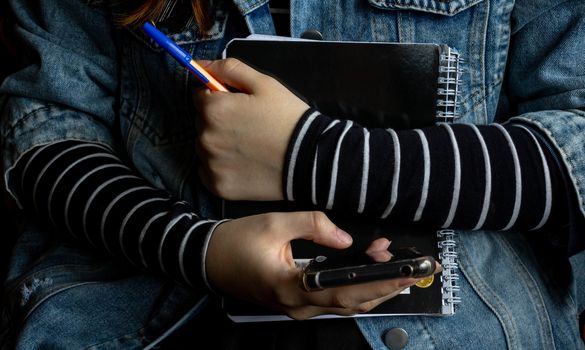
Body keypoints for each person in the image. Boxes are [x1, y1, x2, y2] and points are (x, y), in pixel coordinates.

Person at [0, 0, 583, 349]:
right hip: (149, 319)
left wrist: (318, 158)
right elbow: (50, 136)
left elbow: (576, 150)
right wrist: (199, 251)